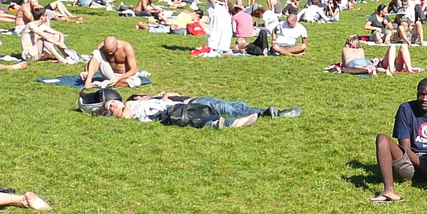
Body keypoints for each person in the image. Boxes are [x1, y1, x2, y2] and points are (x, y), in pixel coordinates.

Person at [371, 78, 427, 203]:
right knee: (382, 139)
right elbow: (405, 148)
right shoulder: (406, 109)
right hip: (410, 162)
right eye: (421, 94)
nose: (424, 99)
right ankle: (389, 190)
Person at [102, 92, 299, 126]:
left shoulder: (155, 99)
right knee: (225, 107)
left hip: (192, 100)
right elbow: (126, 114)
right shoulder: (132, 107)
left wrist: (165, 95)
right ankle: (269, 113)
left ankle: (268, 111)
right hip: (188, 107)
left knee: (233, 106)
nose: (114, 104)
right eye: (111, 106)